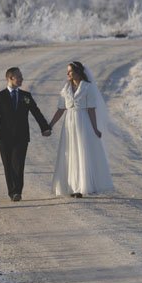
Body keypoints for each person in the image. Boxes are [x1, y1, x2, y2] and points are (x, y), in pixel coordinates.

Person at [47, 61, 113, 198]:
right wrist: (50, 125)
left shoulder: (88, 88)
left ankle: (83, 185)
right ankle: (71, 186)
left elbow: (91, 110)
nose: (68, 74)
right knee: (70, 153)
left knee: (82, 152)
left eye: (70, 71)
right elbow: (61, 109)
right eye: (68, 71)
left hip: (83, 123)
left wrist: (95, 128)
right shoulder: (66, 88)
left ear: (78, 72)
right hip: (69, 124)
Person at [0, 67, 51, 202]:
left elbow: (36, 112)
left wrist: (45, 127)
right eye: (19, 77)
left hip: (21, 137)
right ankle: (11, 191)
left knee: (18, 164)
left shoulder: (26, 96)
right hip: (5, 137)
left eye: (22, 77)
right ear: (10, 78)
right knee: (8, 165)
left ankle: (17, 191)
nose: (22, 79)